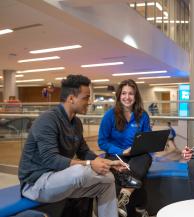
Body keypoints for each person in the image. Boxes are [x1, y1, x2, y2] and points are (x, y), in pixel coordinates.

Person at [18, 75, 129, 217]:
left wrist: (106, 162)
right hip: (36, 184)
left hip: (61, 179)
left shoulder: (76, 123)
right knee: (79, 171)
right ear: (71, 99)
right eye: (86, 97)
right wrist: (90, 163)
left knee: (107, 179)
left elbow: (83, 151)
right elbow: (51, 159)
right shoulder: (47, 120)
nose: (89, 102)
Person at [98, 79, 151, 217]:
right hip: (116, 154)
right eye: (124, 93)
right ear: (119, 95)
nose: (127, 97)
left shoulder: (143, 115)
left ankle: (124, 196)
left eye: (131, 94)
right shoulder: (109, 115)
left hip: (137, 155)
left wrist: (144, 147)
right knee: (132, 170)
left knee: (146, 158)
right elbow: (102, 142)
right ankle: (139, 207)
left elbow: (147, 138)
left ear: (136, 96)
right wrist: (121, 151)